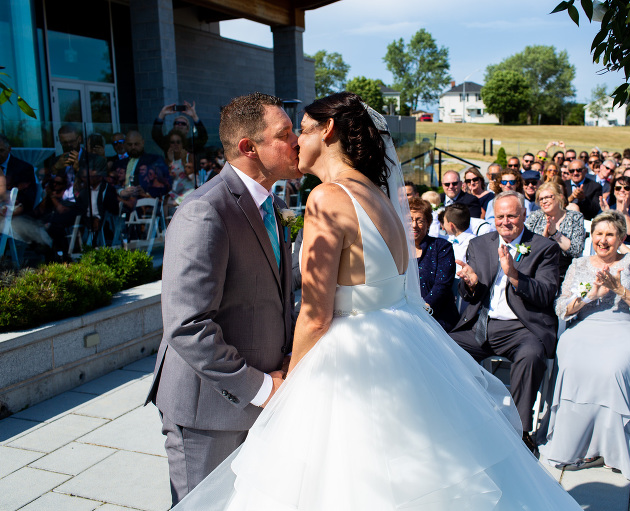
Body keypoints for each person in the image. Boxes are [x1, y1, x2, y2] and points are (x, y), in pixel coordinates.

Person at [179, 92, 581, 510]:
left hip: (351, 360)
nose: (297, 141)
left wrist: (289, 387)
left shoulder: (327, 198)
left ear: (328, 130)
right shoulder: (381, 198)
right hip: (404, 344)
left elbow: (316, 316)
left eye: (301, 129)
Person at [145, 92, 299, 505]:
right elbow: (187, 324)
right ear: (249, 147)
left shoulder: (274, 206)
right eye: (285, 133)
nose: (298, 140)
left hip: (262, 399)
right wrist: (263, 387)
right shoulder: (204, 211)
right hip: (208, 410)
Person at [538, 211, 630, 482]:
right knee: (574, 361)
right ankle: (581, 445)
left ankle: (617, 446)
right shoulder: (579, 264)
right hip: (585, 327)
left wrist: (621, 290)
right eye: (598, 234)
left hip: (625, 327)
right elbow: (562, 309)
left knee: (616, 366)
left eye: (610, 234)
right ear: (591, 237)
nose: (603, 240)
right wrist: (590, 295)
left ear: (621, 238)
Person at [450, 191, 561, 452]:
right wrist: (470, 284)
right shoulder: (480, 244)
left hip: (523, 327)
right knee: (446, 349)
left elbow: (546, 294)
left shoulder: (544, 248)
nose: (505, 221)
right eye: (500, 216)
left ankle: (519, 432)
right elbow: (469, 293)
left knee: (531, 356)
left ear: (524, 215)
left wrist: (515, 276)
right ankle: (460, 420)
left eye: (512, 215)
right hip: (482, 323)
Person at [409, 197, 460, 331]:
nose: (414, 225)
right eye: (409, 220)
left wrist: (423, 310)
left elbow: (442, 286)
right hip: (406, 315)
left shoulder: (441, 247)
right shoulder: (398, 250)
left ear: (428, 223)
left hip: (436, 317)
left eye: (419, 220)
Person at [525, 181, 586, 283]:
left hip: (565, 272)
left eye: (548, 197)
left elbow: (576, 250)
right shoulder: (534, 217)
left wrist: (555, 234)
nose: (544, 201)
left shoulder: (575, 217)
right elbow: (526, 246)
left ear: (560, 197)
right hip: (537, 269)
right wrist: (544, 238)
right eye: (541, 199)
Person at [113, 131, 172, 197]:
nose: (133, 147)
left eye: (136, 144)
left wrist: (147, 193)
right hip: (122, 203)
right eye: (130, 144)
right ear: (125, 145)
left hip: (146, 202)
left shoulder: (154, 160)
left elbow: (165, 184)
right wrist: (121, 192)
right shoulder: (119, 164)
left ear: (142, 143)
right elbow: (111, 184)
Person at [601, 175, 630, 247]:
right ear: (614, 191)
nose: (622, 190)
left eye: (626, 188)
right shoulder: (608, 209)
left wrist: (625, 213)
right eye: (618, 188)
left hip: (629, 249)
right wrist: (607, 214)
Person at [0, 133, 37, 219]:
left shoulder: (23, 168)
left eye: (1, 150)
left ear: (9, 149)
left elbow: (28, 198)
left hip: (14, 214)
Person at [443, 203, 475, 271]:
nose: (443, 226)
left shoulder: (472, 244)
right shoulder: (451, 239)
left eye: (444, 222)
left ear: (451, 225)